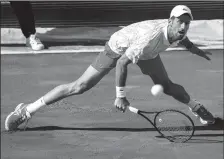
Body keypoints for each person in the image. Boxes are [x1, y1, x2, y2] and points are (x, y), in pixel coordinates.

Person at [5, 5, 216, 131]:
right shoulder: (150, 37)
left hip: (145, 53)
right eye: (180, 22)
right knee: (79, 86)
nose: (183, 27)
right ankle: (27, 110)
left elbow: (185, 41)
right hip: (118, 48)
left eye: (187, 23)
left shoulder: (178, 31)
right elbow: (123, 62)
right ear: (171, 21)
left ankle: (198, 109)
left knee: (167, 86)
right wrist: (120, 95)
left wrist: (196, 51)